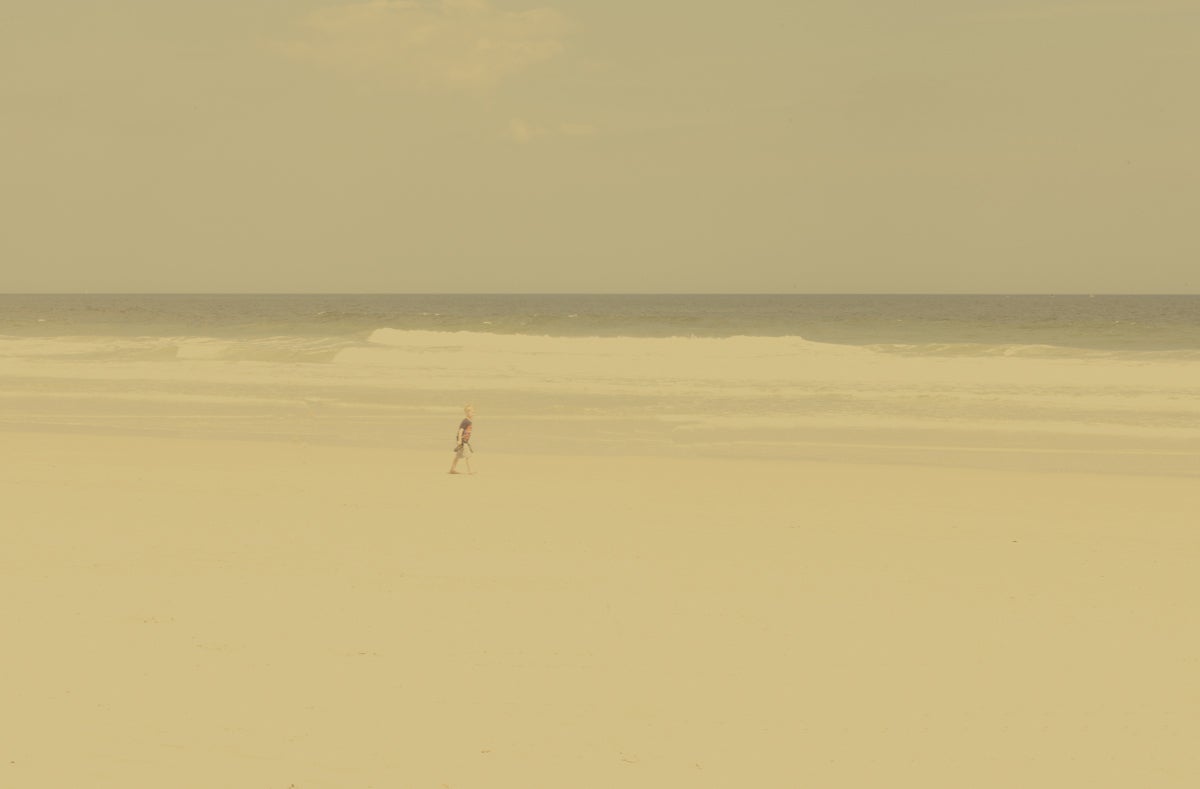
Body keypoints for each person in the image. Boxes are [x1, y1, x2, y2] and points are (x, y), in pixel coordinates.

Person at [449, 404, 475, 475]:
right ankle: (470, 471)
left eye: (473, 412)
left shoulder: (469, 421)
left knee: (457, 456)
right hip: (463, 442)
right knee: (468, 456)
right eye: (471, 412)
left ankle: (452, 469)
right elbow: (460, 430)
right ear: (467, 413)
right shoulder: (465, 421)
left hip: (464, 441)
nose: (472, 413)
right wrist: (459, 440)